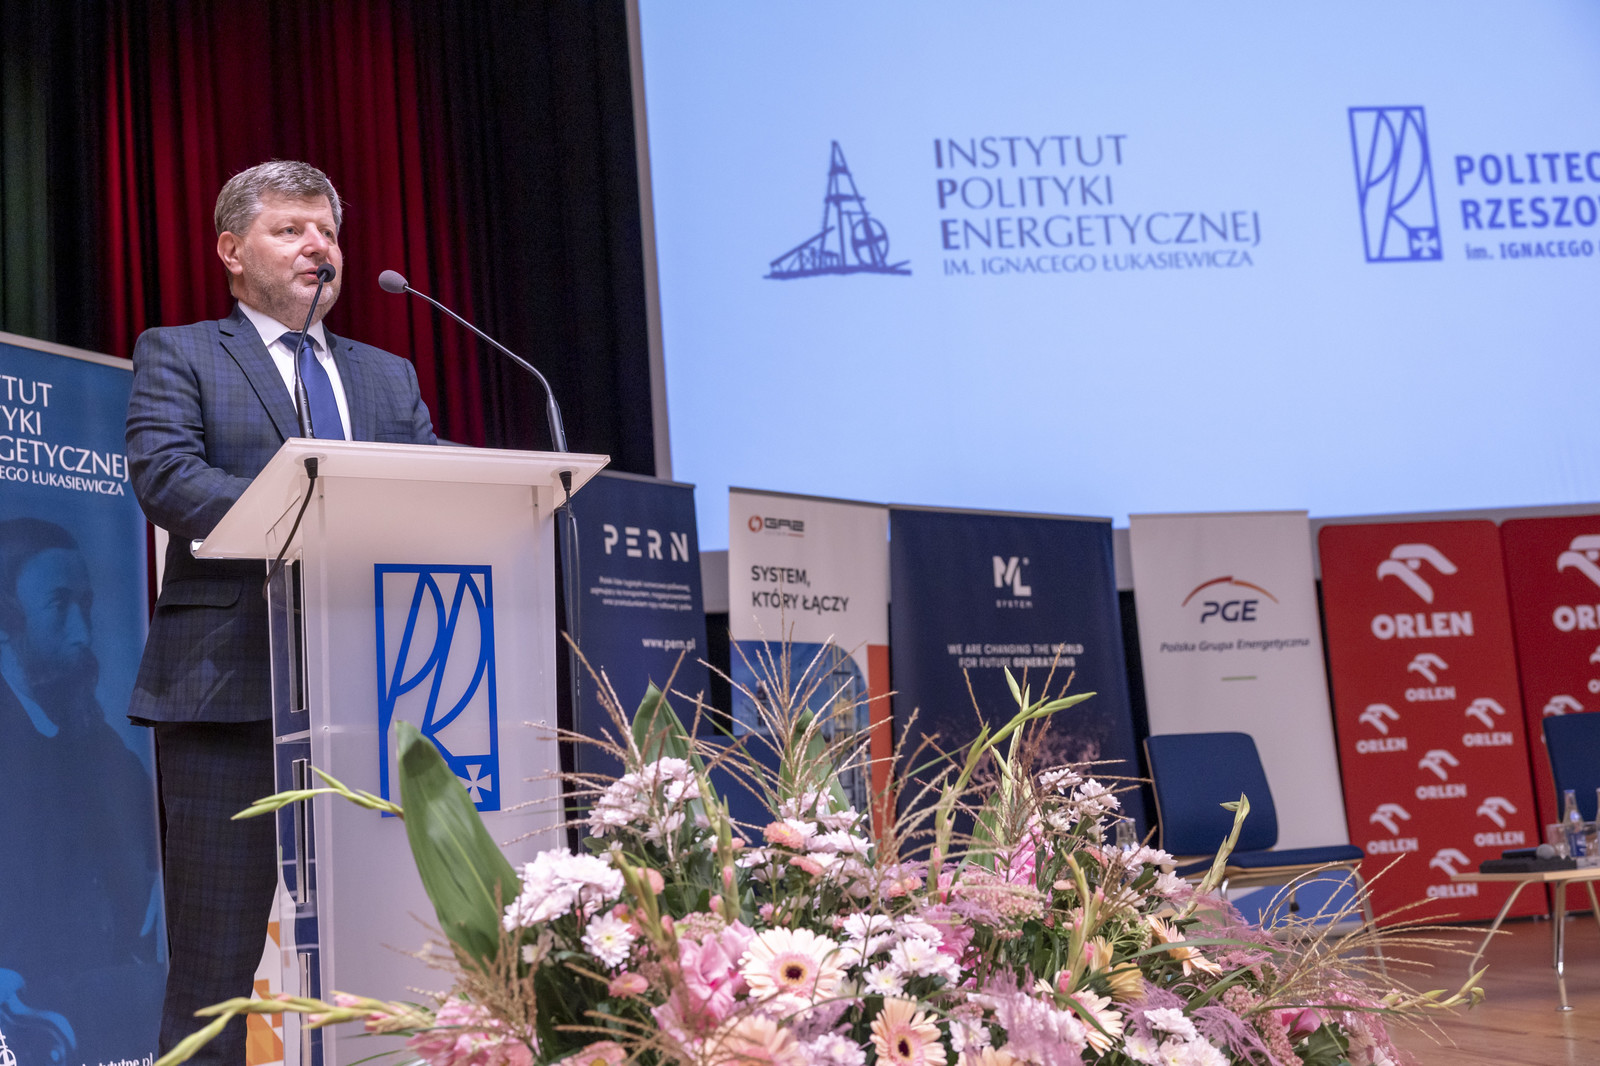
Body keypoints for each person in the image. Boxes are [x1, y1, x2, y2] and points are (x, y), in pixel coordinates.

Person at [124, 160, 437, 1065]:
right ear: (232, 250)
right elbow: (168, 477)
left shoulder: (387, 377)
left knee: (390, 955)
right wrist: (316, 514)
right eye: (291, 229)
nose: (318, 247)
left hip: (379, 699)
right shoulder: (181, 352)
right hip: (228, 694)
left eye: (328, 232)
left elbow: (433, 491)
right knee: (214, 977)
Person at [0, 518, 163, 1065]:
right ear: (6, 620)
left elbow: (146, 836)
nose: (83, 633)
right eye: (58, 605)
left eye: (85, 605)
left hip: (102, 996)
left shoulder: (85, 731)